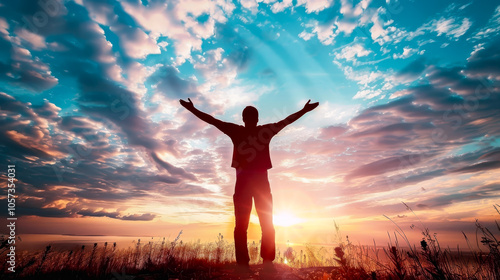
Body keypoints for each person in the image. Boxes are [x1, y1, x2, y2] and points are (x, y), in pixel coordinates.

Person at [179, 98, 319, 272]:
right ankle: (267, 262)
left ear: (243, 119)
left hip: (243, 183)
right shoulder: (265, 131)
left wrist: (192, 109)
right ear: (257, 119)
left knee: (241, 226)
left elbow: (212, 120)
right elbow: (286, 121)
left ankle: (243, 265)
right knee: (266, 224)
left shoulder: (236, 131)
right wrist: (304, 110)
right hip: (261, 184)